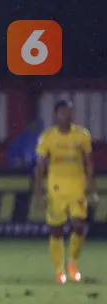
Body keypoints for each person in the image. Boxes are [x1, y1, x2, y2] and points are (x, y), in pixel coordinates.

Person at [34, 99, 97, 283]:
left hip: (77, 187)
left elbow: (88, 163)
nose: (66, 116)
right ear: (56, 115)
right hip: (56, 188)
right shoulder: (48, 137)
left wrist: (92, 189)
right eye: (62, 112)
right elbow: (40, 166)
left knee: (78, 224)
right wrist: (38, 193)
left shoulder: (82, 135)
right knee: (56, 230)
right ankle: (59, 270)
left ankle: (72, 263)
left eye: (69, 112)